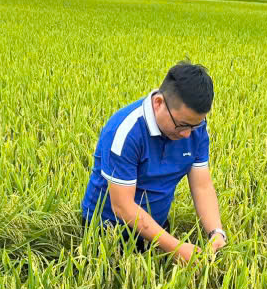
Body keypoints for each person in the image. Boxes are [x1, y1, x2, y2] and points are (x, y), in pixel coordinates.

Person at [80, 62, 226, 264]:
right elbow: (122, 206)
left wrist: (216, 231)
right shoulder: (125, 132)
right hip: (109, 230)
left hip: (156, 225)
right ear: (158, 103)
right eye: (182, 125)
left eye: (194, 125)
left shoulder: (195, 129)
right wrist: (176, 248)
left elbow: (202, 186)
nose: (186, 134)